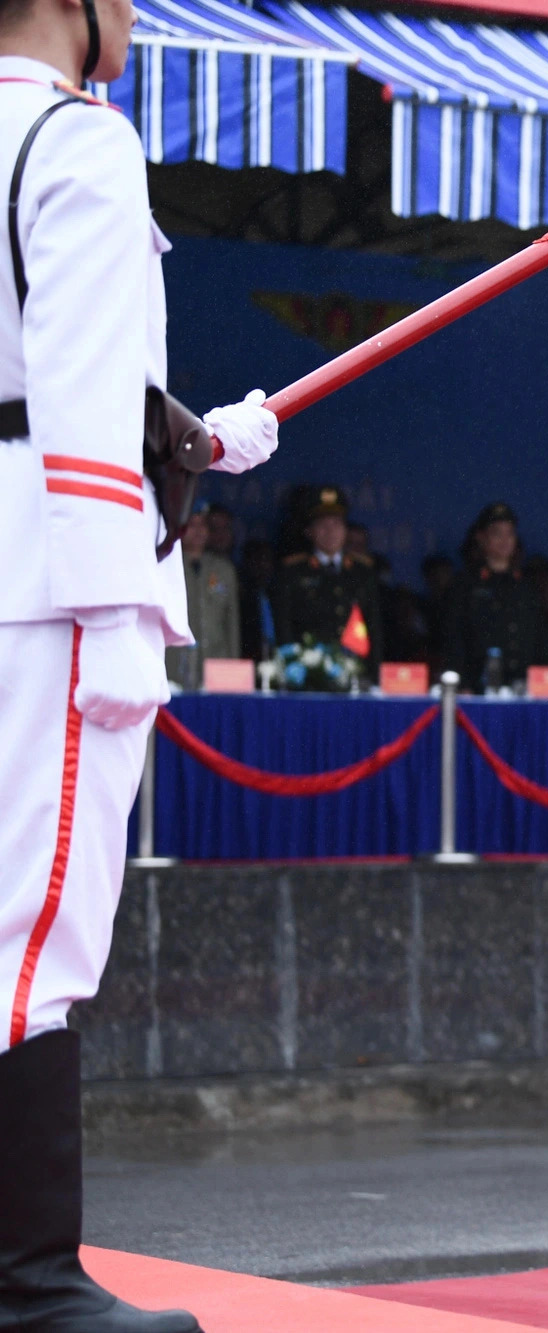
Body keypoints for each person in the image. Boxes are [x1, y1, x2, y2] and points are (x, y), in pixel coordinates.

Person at [0, 0, 279, 1323]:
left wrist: (205, 439)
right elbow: (70, 387)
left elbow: (62, 371)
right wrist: (120, 617)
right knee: (30, 931)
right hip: (49, 580)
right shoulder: (77, 138)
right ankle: (29, 1280)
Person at [441, 502, 548, 693]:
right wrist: (462, 684)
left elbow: (541, 638)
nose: (505, 540)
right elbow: (454, 638)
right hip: (478, 687)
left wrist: (546, 680)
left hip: (523, 687)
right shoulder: (465, 584)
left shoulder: (526, 585)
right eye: (497, 533)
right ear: (481, 537)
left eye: (510, 533)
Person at [269, 488, 381, 678]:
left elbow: (374, 630)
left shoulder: (363, 573)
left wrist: (373, 675)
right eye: (322, 525)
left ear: (345, 530)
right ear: (309, 532)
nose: (330, 532)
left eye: (336, 524)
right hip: (309, 675)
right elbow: (284, 629)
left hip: (354, 672)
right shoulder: (292, 573)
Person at [166, 507, 238, 690]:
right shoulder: (166, 565)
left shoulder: (223, 569)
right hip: (174, 664)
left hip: (216, 663)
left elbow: (232, 623)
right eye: (191, 525)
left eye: (203, 525)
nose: (198, 531)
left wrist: (233, 664)